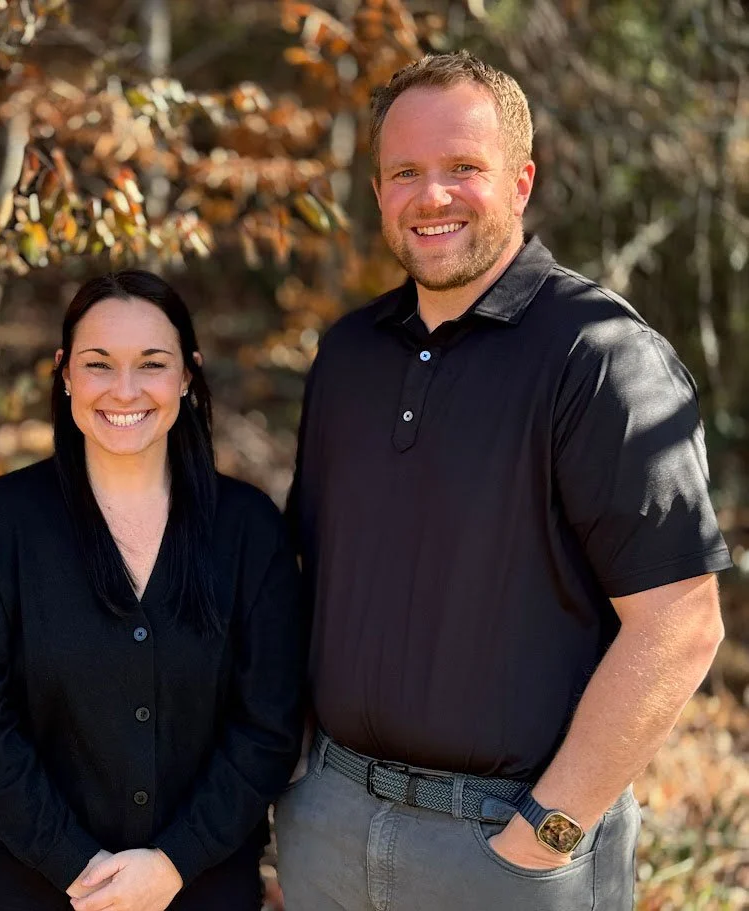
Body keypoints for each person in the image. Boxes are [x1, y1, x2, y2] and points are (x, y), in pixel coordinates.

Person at [276, 51, 731, 911]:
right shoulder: (347, 356)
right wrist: (300, 782)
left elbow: (679, 620)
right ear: (378, 193)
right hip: (329, 827)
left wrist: (546, 833)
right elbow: (309, 579)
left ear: (520, 181)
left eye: (462, 168)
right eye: (405, 171)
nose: (431, 194)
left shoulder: (598, 355)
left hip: (501, 849)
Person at [0, 270, 305, 911]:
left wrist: (173, 862)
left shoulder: (249, 531)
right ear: (64, 373)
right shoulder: (3, 523)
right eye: (99, 364)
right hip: (36, 887)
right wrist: (77, 866)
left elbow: (268, 726)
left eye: (152, 364)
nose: (125, 389)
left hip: (203, 887)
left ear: (187, 375)